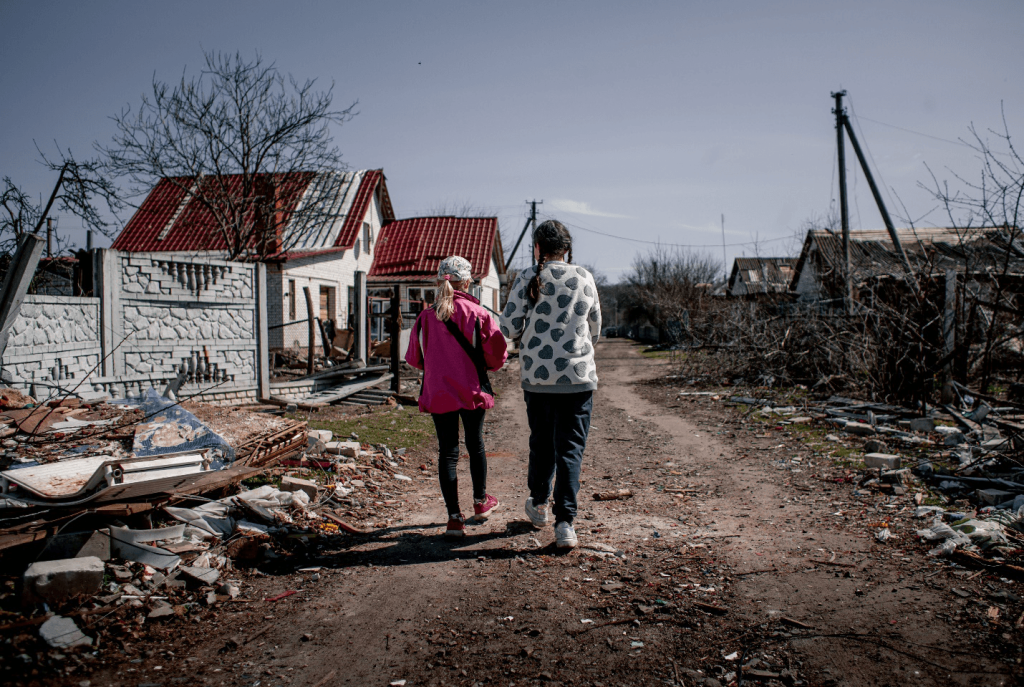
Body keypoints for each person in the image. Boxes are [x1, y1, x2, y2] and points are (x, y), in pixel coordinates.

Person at [499, 220, 601, 549]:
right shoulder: (584, 277)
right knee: (570, 450)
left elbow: (508, 327)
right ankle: (565, 524)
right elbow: (595, 328)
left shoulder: (528, 277)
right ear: (567, 249)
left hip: (538, 380)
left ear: (537, 248)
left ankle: (539, 502)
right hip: (578, 379)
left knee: (542, 443)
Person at [406, 256, 508, 537]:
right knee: (475, 444)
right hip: (471, 390)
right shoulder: (479, 313)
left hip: (439, 392)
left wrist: (438, 367)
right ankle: (480, 502)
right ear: (467, 282)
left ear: (440, 281)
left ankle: (453, 518)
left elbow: (414, 358)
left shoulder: (425, 317)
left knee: (447, 452)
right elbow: (497, 354)